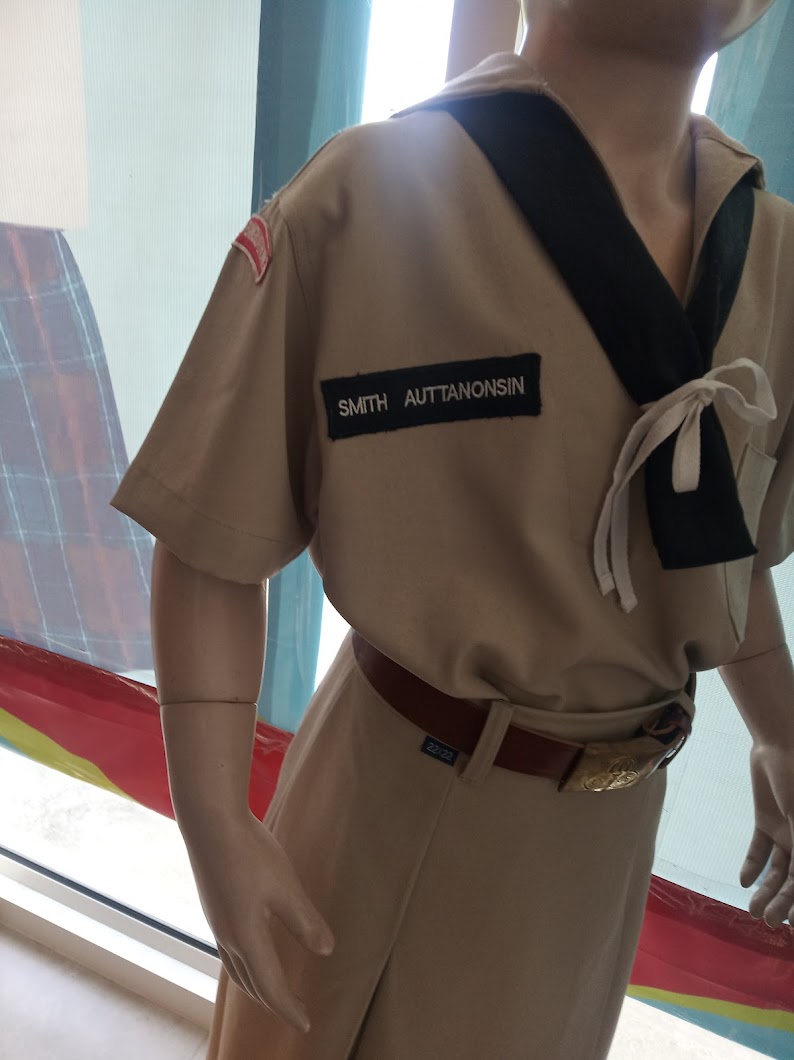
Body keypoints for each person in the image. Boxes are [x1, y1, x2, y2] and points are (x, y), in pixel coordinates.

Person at [110, 1, 794, 1057]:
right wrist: (211, 816)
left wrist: (779, 729)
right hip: (400, 790)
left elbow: (717, 553)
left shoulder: (773, 259)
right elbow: (211, 534)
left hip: (605, 840)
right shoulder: (371, 196)